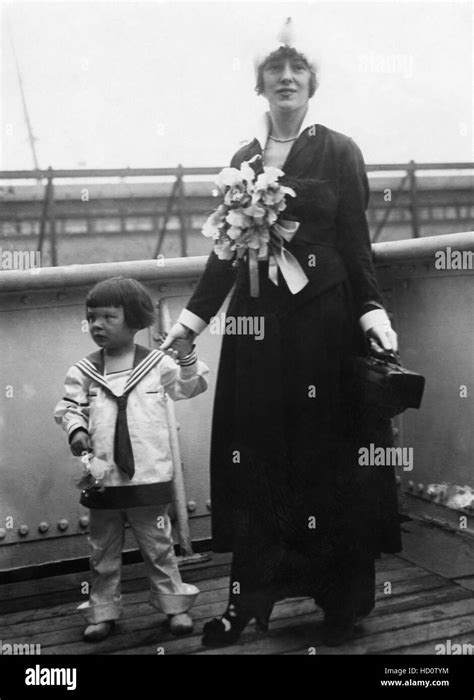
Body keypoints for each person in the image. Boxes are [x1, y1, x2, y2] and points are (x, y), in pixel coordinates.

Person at [162, 19, 402, 647]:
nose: (287, 79)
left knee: (327, 456)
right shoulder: (243, 161)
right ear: (262, 86)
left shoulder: (340, 150)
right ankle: (249, 601)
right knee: (260, 458)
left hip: (324, 326)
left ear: (310, 84)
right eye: (275, 72)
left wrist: (372, 312)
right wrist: (190, 325)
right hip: (259, 332)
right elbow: (224, 254)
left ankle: (341, 599)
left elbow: (356, 242)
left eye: (297, 71)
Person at [54, 276, 209, 642]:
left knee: (158, 547)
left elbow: (188, 388)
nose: (97, 325)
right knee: (102, 552)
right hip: (103, 480)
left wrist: (186, 355)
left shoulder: (156, 364)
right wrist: (76, 429)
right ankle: (102, 611)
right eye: (92, 317)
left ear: (136, 318)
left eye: (108, 317)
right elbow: (69, 407)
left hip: (148, 478)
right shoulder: (84, 371)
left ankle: (175, 608)